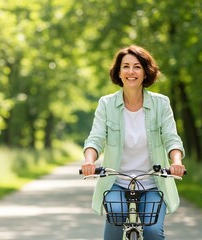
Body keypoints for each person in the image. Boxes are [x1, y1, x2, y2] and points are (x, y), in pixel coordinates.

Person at [80, 45, 186, 240]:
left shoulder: (160, 104)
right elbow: (95, 138)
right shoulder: (107, 104)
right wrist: (89, 160)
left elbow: (171, 139)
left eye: (137, 67)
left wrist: (176, 162)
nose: (131, 72)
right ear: (118, 73)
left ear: (146, 73)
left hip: (153, 182)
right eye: (125, 66)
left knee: (153, 231)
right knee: (117, 216)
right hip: (116, 182)